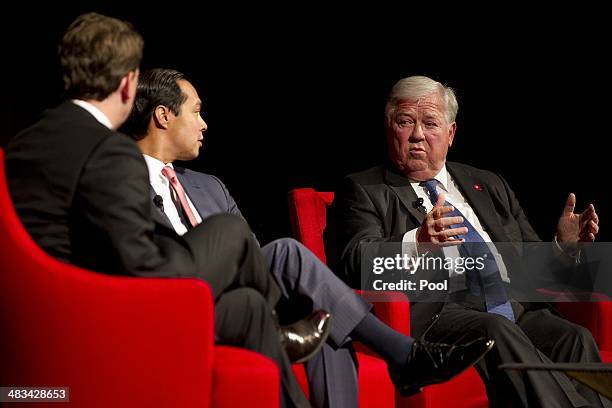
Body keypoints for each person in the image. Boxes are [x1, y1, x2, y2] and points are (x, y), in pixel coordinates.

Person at [4, 13, 329, 408]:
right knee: (229, 231)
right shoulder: (108, 150)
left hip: (44, 319)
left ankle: (277, 340)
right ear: (127, 83)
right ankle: (281, 325)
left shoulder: (21, 145)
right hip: (103, 319)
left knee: (248, 307)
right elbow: (140, 268)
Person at [120, 68, 495, 407]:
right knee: (286, 250)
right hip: (176, 300)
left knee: (327, 327)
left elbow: (249, 254)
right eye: (196, 111)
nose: (204, 124)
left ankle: (403, 358)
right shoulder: (117, 181)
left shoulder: (208, 187)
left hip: (246, 299)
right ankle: (406, 355)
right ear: (163, 115)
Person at [325, 75, 609, 407]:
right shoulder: (363, 189)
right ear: (390, 128)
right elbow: (353, 262)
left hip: (511, 307)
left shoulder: (488, 185)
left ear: (451, 133)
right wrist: (418, 241)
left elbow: (530, 268)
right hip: (439, 314)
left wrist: (562, 247)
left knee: (574, 338)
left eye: (430, 123)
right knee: (496, 332)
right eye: (405, 122)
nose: (417, 135)